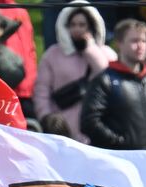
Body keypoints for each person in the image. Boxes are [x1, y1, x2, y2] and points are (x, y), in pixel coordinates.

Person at [32, 1, 114, 144]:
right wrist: (46, 117)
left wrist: (90, 49)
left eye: (82, 25)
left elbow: (106, 74)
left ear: (92, 26)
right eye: (73, 25)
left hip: (99, 131)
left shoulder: (106, 53)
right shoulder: (52, 54)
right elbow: (41, 90)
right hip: (63, 130)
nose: (77, 29)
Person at [82, 19, 146, 151]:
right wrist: (119, 144)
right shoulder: (105, 80)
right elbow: (89, 122)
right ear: (119, 43)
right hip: (121, 161)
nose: (140, 46)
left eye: (144, 41)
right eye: (134, 41)